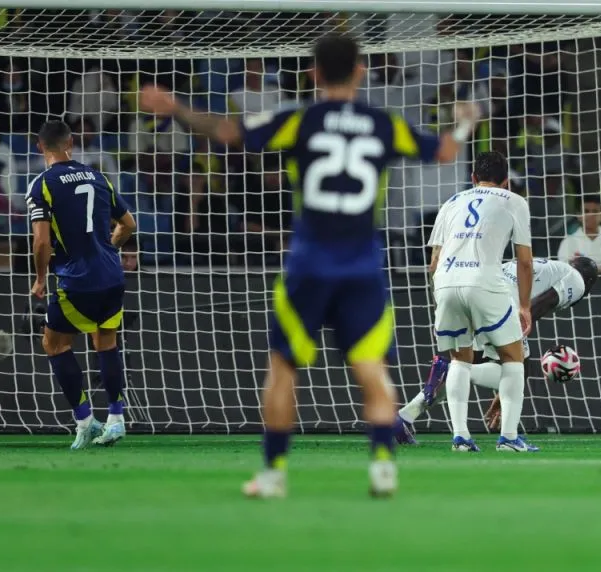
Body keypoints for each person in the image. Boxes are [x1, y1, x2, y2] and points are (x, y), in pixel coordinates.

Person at [139, 34, 476, 498]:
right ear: (360, 71)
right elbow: (444, 152)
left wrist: (175, 105)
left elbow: (229, 133)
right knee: (371, 367)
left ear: (313, 72)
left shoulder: (300, 120)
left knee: (283, 367)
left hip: (309, 263)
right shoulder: (384, 124)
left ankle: (274, 474)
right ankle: (383, 467)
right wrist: (465, 123)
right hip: (362, 265)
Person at [395, 256, 599, 445]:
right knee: (515, 371)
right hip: (502, 302)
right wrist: (511, 377)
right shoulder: (577, 281)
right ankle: (508, 436)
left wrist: (504, 391)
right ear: (589, 283)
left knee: (465, 366)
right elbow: (537, 306)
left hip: (476, 290)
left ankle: (405, 417)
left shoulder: (552, 267)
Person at [27, 120, 137, 450]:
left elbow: (41, 242)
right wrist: (109, 249)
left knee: (54, 344)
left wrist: (40, 278)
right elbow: (128, 224)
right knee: (106, 343)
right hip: (111, 275)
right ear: (70, 143)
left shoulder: (42, 185)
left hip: (76, 279)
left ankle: (85, 420)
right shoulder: (98, 176)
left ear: (39, 147)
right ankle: (116, 419)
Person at [426, 151, 533, 452]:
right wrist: (524, 306)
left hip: (446, 282)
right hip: (484, 280)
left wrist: (444, 293)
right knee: (513, 358)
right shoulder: (513, 201)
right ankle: (508, 438)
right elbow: (525, 262)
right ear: (506, 182)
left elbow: (434, 261)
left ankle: (461, 438)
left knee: (460, 360)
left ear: (473, 178)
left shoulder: (451, 202)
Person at [556, 195, 601, 274]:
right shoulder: (568, 242)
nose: (590, 215)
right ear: (579, 215)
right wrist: (600, 270)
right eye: (586, 211)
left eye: (595, 211)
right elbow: (564, 271)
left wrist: (584, 269)